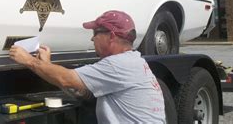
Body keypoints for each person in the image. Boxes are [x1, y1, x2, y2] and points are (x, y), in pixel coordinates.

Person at [9, 10, 166, 123]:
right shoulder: (133, 61)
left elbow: (66, 79)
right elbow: (83, 90)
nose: (92, 38)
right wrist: (46, 66)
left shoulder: (118, 65)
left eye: (96, 33)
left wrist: (29, 60)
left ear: (111, 36)